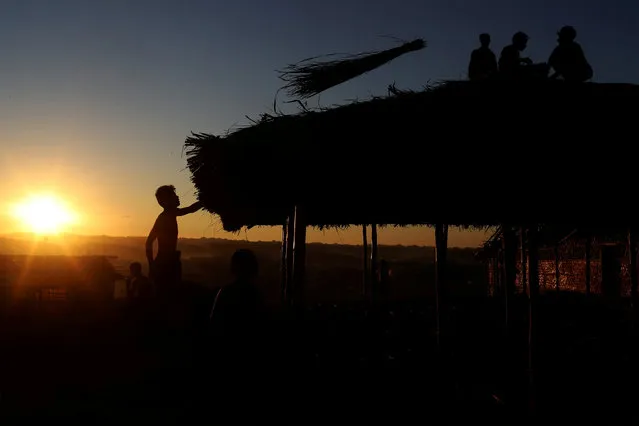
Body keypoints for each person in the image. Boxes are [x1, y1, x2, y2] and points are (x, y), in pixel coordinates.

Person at [145, 185, 202, 299]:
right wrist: (152, 265)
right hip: (165, 263)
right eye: (174, 195)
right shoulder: (165, 216)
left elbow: (149, 242)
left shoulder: (167, 216)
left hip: (167, 262)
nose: (177, 197)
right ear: (167, 201)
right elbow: (148, 242)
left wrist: (152, 265)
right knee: (167, 297)